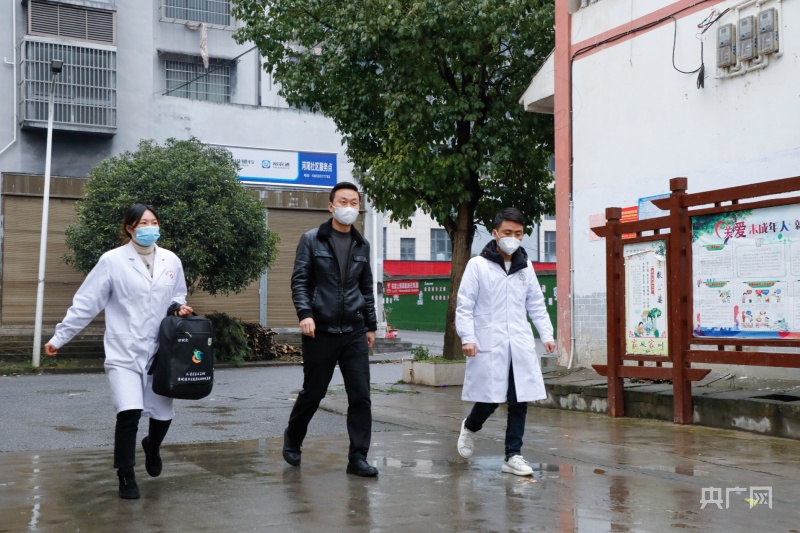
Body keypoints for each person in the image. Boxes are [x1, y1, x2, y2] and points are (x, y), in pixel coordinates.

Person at [44, 204, 193, 499]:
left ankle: (152, 445)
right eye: (143, 223)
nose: (150, 228)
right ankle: (126, 475)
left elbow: (177, 294)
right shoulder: (112, 261)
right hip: (124, 349)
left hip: (160, 350)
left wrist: (178, 307)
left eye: (154, 222)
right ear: (130, 228)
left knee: (163, 413)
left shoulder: (171, 260)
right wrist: (60, 337)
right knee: (129, 412)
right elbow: (87, 302)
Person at [283, 182, 379, 477]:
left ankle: (358, 458)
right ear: (331, 206)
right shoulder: (312, 240)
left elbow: (366, 288)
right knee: (313, 393)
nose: (349, 207)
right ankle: (293, 439)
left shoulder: (362, 245)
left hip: (354, 330)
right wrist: (305, 314)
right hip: (320, 330)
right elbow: (300, 281)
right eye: (343, 202)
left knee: (360, 395)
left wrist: (371, 325)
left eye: (354, 203)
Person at [455, 208, 555, 476]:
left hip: (519, 343)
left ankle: (513, 455)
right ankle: (470, 427)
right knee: (490, 399)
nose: (513, 238)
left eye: (518, 234)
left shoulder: (525, 266)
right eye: (508, 232)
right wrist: (468, 337)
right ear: (495, 233)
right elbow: (465, 305)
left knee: (519, 399)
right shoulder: (478, 265)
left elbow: (536, 303)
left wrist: (546, 334)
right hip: (489, 341)